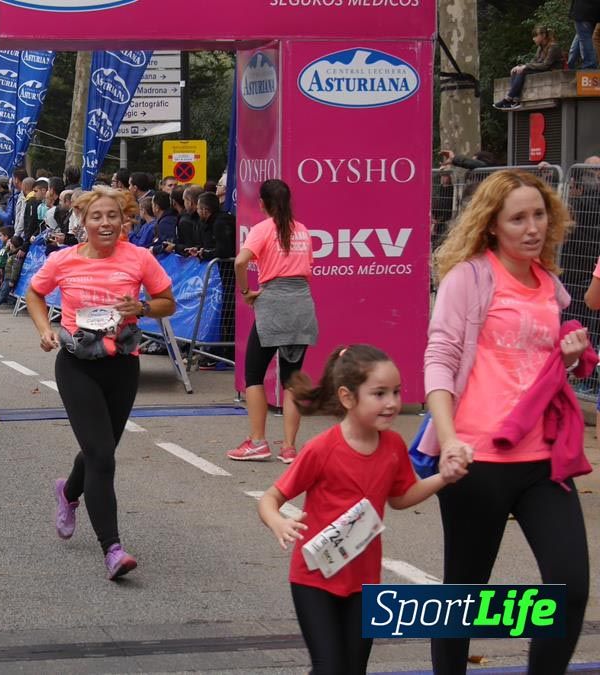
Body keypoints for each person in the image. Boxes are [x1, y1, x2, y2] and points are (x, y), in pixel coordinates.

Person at [422, 170, 591, 674]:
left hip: (544, 459)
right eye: (518, 218)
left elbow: (536, 368)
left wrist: (569, 357)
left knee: (570, 587)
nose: (532, 227)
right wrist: (449, 440)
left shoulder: (550, 284)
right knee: (462, 597)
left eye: (539, 215)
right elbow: (440, 359)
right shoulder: (469, 278)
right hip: (476, 458)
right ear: (492, 224)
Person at [257, 345, 461, 675]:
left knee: (353, 669)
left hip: (364, 582)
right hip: (314, 577)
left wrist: (443, 477)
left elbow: (401, 497)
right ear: (347, 397)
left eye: (396, 392)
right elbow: (270, 499)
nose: (392, 402)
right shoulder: (322, 449)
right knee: (329, 667)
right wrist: (278, 522)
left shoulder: (393, 446)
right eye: (379, 394)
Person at [26, 185, 177, 580]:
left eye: (113, 216)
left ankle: (68, 492)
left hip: (122, 363)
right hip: (77, 364)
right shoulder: (63, 260)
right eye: (97, 216)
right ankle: (112, 548)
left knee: (101, 450)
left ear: (124, 220)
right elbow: (35, 293)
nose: (105, 223)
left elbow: (168, 301)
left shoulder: (139, 258)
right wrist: (45, 329)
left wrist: (142, 306)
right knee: (102, 456)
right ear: (83, 221)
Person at [228, 180, 317, 464]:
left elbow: (240, 261)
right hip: (302, 305)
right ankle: (289, 447)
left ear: (262, 204)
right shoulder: (302, 230)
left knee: (254, 374)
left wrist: (246, 291)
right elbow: (308, 268)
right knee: (292, 379)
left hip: (273, 304)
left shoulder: (262, 229)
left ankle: (257, 441)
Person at [495, 26, 565, 110]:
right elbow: (534, 61)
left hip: (552, 71)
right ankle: (514, 101)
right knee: (517, 70)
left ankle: (509, 99)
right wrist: (520, 66)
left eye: (535, 36)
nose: (533, 39)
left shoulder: (553, 47)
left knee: (523, 71)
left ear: (543, 36)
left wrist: (526, 67)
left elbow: (546, 65)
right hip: (544, 70)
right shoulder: (540, 48)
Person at [568, 0, 600, 70]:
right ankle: (571, 64)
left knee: (584, 38)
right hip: (592, 12)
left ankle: (589, 66)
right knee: (582, 37)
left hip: (583, 12)